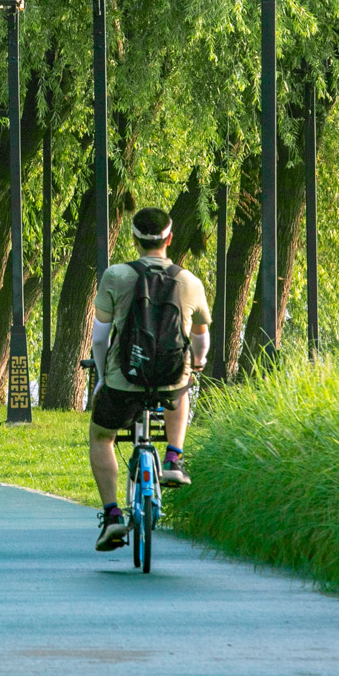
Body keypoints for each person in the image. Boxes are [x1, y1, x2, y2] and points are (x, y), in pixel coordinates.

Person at [87, 207, 211, 552]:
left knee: (101, 436)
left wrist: (101, 375)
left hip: (123, 378)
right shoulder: (190, 282)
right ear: (169, 239)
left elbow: (99, 338)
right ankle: (173, 458)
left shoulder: (115, 276)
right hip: (169, 377)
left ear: (134, 240)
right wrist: (197, 363)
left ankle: (112, 515)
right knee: (181, 383)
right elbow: (201, 339)